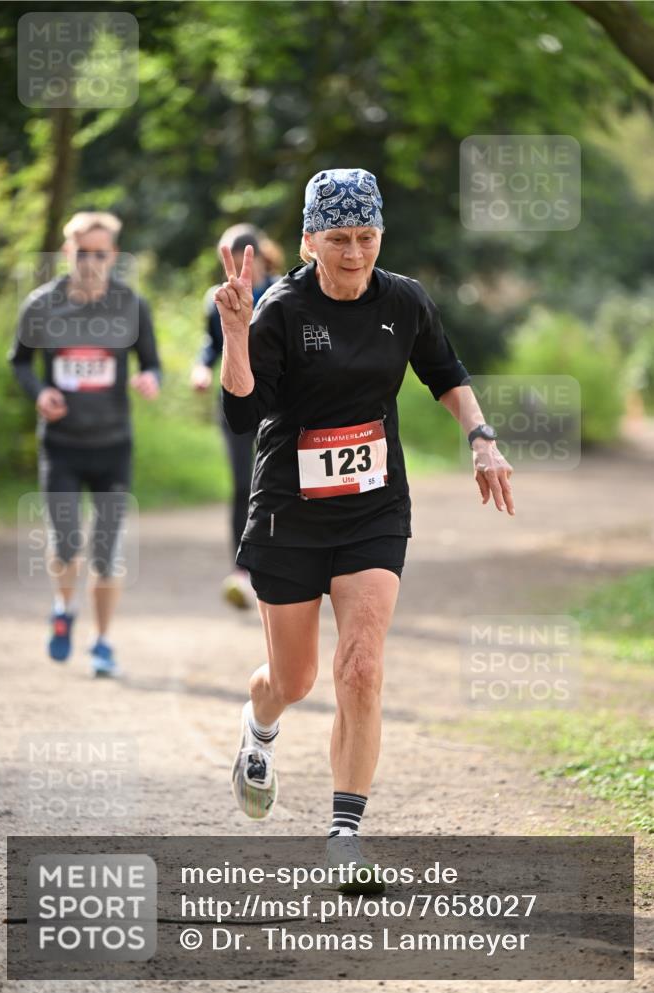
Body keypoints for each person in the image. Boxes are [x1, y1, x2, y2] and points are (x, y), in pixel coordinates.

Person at [216, 168, 514, 887]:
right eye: (339, 239)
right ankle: (259, 734)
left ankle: (344, 831)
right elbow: (242, 415)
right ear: (310, 239)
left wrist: (481, 438)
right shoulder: (282, 310)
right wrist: (234, 334)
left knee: (362, 667)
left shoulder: (402, 300)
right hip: (290, 510)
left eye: (367, 237)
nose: (354, 254)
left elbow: (444, 370)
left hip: (374, 508)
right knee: (293, 677)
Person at [9, 211, 162, 678]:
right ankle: (63, 607)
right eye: (81, 252)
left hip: (113, 444)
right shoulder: (41, 304)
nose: (90, 261)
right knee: (66, 543)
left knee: (106, 550)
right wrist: (42, 393)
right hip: (62, 445)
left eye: (100, 253)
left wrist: (150, 379)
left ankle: (102, 641)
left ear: (113, 255)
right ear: (67, 252)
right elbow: (20, 363)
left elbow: (152, 363)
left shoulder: (131, 306)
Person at [191, 224, 282, 610]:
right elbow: (213, 343)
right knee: (244, 484)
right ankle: (241, 570)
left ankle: (289, 562)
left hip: (280, 403)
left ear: (258, 257)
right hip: (235, 403)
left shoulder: (283, 291)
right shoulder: (216, 297)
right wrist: (201, 367)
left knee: (280, 482)